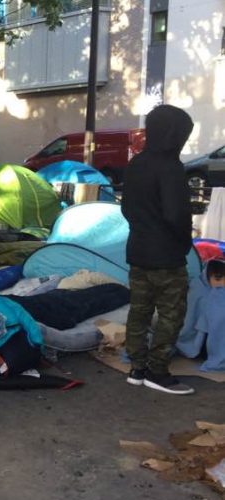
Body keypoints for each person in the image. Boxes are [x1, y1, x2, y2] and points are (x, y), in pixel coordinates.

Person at [121, 104, 195, 395]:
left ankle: (137, 368)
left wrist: (143, 228)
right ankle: (158, 371)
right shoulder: (171, 168)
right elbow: (176, 215)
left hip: (138, 250)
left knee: (139, 311)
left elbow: (126, 208)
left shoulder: (136, 164)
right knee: (170, 314)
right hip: (167, 255)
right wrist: (183, 241)